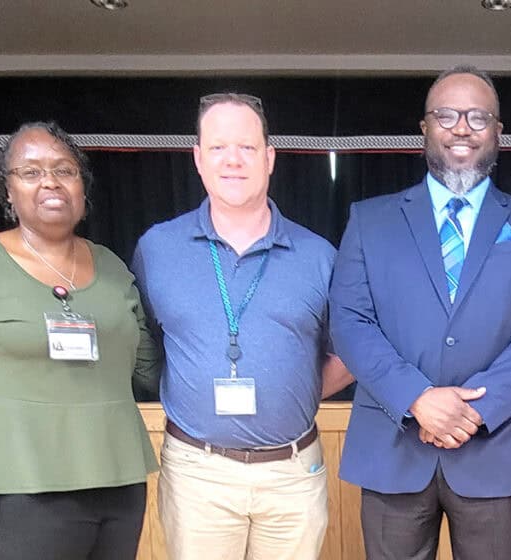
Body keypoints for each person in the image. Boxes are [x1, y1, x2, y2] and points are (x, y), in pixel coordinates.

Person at [329, 65, 511, 560]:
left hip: (497, 451)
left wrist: (474, 410)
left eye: (478, 116)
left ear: (498, 131)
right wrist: (417, 396)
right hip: (393, 449)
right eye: (446, 114)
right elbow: (351, 323)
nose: (461, 127)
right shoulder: (369, 221)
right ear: (424, 127)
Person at [0, 122, 160, 560]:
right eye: (30, 171)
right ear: (7, 190)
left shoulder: (112, 266)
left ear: (82, 187)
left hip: (118, 480)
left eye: (65, 170)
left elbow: (147, 367)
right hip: (21, 484)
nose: (50, 181)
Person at [131, 93, 352, 560]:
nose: (233, 160)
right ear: (197, 157)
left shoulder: (319, 257)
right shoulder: (158, 249)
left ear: (269, 158)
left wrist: (295, 393)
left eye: (248, 148)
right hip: (197, 474)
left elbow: (352, 349)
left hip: (292, 475)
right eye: (218, 147)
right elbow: (147, 341)